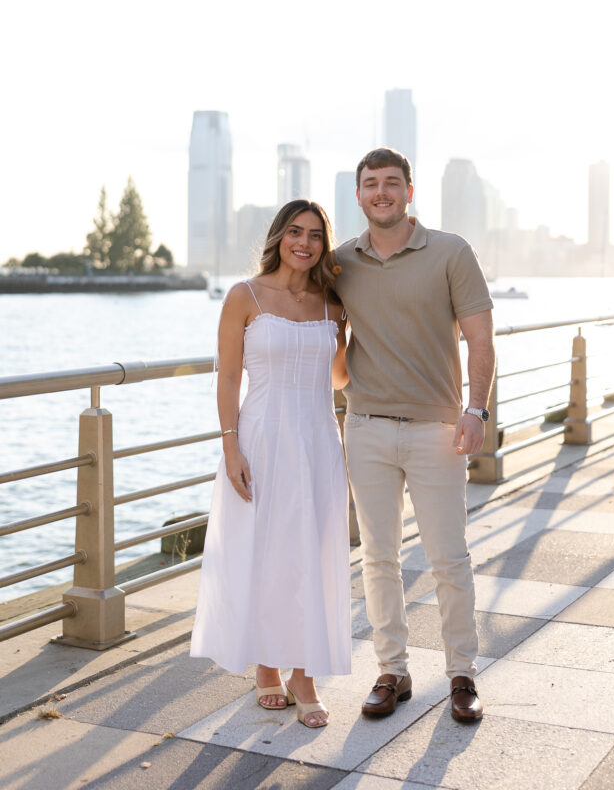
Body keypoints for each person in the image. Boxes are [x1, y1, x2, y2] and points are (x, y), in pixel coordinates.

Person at [334, 148, 495, 724]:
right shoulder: (339, 263)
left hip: (438, 429)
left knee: (449, 558)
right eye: (371, 184)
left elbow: (480, 338)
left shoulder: (451, 252)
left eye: (392, 183)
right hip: (365, 427)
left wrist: (476, 409)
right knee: (377, 557)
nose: (382, 192)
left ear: (409, 191)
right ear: (358, 195)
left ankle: (461, 674)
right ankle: (392, 671)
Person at [190, 200, 351, 729]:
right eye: (294, 232)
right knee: (264, 553)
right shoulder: (246, 296)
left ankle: (304, 673)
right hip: (260, 437)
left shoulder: (333, 304)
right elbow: (228, 378)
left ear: (325, 246)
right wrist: (230, 447)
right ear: (279, 237)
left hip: (318, 439)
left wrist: (357, 336)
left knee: (312, 550)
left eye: (315, 236)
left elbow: (339, 379)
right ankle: (266, 667)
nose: (304, 243)